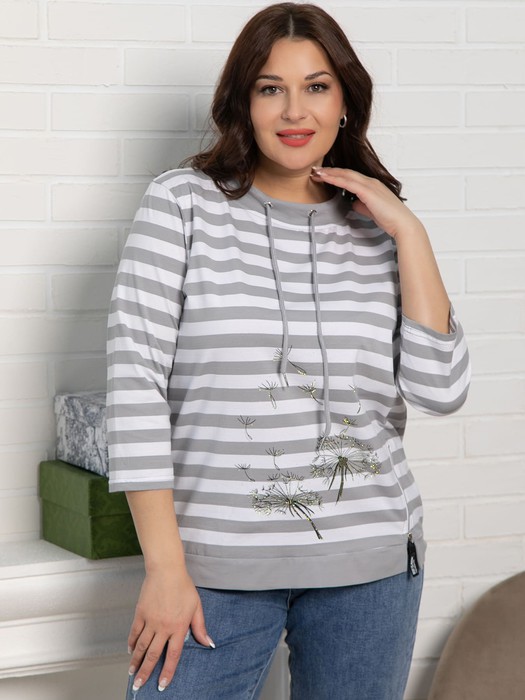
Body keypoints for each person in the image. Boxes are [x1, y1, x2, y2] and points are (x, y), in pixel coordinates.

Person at [106, 3, 470, 699]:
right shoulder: (182, 205)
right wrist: (165, 569)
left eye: (316, 86)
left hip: (370, 568)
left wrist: (410, 233)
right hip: (211, 572)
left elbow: (440, 389)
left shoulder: (380, 227)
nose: (294, 110)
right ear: (243, 102)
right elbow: (135, 387)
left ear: (345, 101)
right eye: (270, 88)